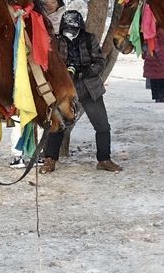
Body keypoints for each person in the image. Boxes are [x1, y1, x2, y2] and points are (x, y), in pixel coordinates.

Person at [40, 10, 122, 173]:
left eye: (74, 29)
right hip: (64, 90)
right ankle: (50, 159)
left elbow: (100, 62)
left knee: (102, 126)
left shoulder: (90, 39)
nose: (70, 33)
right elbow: (48, 65)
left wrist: (85, 71)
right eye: (67, 29)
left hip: (89, 89)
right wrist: (64, 71)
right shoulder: (55, 41)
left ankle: (104, 159)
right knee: (58, 125)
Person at [142, 27, 164, 103]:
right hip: (160, 53)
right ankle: (162, 96)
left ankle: (157, 96)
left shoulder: (147, 27)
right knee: (161, 77)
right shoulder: (161, 28)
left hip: (151, 51)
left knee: (154, 77)